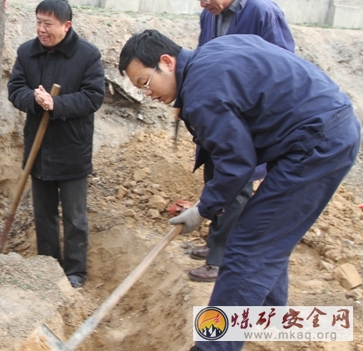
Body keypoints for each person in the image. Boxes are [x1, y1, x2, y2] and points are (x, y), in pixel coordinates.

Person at [119, 29, 360, 351]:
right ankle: (269, 317)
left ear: (166, 61)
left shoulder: (203, 93)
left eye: (145, 82)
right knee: (266, 237)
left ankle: (213, 346)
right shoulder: (211, 54)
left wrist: (203, 209)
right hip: (314, 132)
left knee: (249, 247)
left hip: (317, 143)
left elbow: (237, 163)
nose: (147, 93)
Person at [185, 0, 296, 282]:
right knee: (216, 175)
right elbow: (205, 54)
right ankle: (216, 241)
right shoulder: (210, 15)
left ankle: (220, 260)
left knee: (238, 185)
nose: (203, 5)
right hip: (220, 111)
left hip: (248, 117)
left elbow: (282, 67)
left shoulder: (263, 13)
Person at [7, 0, 105, 289]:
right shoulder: (27, 52)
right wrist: (34, 100)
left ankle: (75, 271)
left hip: (72, 149)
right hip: (38, 148)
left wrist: (56, 104)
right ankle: (48, 266)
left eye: (47, 24)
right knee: (43, 214)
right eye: (38, 22)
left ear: (66, 25)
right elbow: (15, 89)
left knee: (74, 217)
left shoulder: (87, 56)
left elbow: (93, 97)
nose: (41, 29)